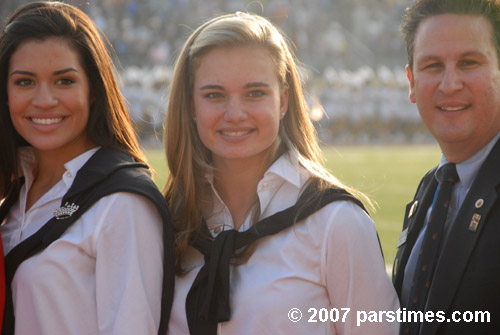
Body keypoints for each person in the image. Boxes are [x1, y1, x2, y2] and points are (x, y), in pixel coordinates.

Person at [163, 12, 399, 335]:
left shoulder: (336, 223)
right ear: (191, 105)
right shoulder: (169, 221)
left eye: (255, 93)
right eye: (214, 95)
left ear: (283, 100)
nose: (235, 113)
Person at [0, 2, 174, 334]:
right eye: (25, 82)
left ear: (92, 89)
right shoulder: (13, 193)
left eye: (64, 81)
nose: (44, 100)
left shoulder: (122, 204)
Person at [392, 0, 500, 334]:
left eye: (469, 62)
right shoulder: (434, 186)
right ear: (411, 82)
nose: (450, 84)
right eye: (433, 66)